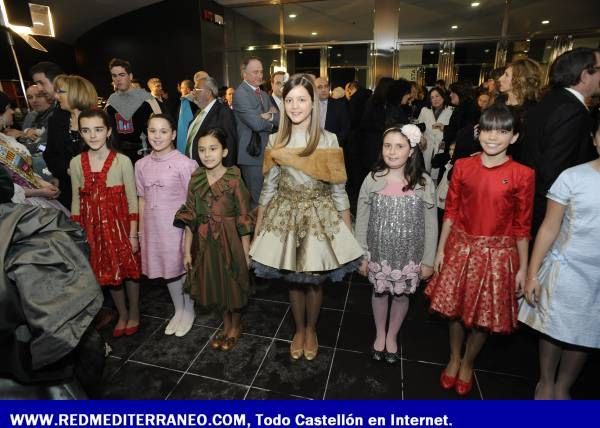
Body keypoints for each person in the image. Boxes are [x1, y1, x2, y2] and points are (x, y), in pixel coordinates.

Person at [250, 74, 364, 361]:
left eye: (301, 99)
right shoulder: (275, 139)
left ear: (313, 102)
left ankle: (311, 329)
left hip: (318, 216)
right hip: (285, 216)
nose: (295, 106)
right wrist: (258, 229)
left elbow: (339, 191)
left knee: (314, 280)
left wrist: (347, 235)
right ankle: (298, 328)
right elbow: (269, 188)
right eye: (289, 100)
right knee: (293, 280)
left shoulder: (328, 139)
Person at [424, 104, 535, 396]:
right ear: (478, 132)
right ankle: (454, 356)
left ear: (514, 136)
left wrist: (524, 267)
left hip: (498, 255)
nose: (493, 136)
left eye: (502, 130)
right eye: (487, 129)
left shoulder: (523, 174)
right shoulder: (462, 166)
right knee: (455, 311)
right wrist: (440, 249)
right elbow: (450, 210)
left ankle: (468, 362)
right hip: (460, 247)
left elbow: (522, 226)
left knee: (483, 316)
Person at [519, 115, 600, 400]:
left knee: (586, 331)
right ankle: (546, 381)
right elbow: (550, 227)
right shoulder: (573, 176)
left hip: (597, 276)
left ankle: (564, 385)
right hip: (567, 268)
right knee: (553, 326)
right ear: (594, 138)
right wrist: (531, 272)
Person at [355, 124, 437, 364]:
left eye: (399, 146)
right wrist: (362, 254)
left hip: (410, 254)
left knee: (401, 296)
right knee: (379, 292)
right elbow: (362, 218)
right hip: (378, 252)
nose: (392, 152)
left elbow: (431, 224)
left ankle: (393, 335)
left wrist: (429, 260)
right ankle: (380, 333)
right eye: (387, 146)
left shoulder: (423, 183)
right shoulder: (372, 179)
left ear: (411, 150)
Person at [174, 127, 253, 351]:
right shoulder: (196, 178)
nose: (207, 154)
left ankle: (236, 326)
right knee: (216, 283)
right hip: (204, 241)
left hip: (230, 241)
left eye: (213, 148)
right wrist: (187, 250)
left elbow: (244, 217)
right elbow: (190, 216)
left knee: (233, 284)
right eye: (202, 150)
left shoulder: (234, 178)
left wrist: (246, 251)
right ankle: (226, 325)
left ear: (224, 151)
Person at [70, 109, 141, 338]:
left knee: (128, 271)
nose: (92, 136)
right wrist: (78, 235)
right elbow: (75, 201)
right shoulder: (76, 163)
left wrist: (133, 234)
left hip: (120, 229)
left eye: (98, 129)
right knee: (110, 274)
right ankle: (121, 313)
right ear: (80, 133)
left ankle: (135, 311)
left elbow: (132, 200)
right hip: (94, 230)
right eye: (86, 130)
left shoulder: (122, 161)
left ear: (108, 131)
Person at [522, 47, 600, 236]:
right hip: (550, 215)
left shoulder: (550, 101)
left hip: (534, 208)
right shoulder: (571, 110)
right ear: (584, 75)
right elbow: (554, 172)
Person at [135, 114, 198, 337]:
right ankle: (178, 309)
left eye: (163, 131)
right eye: (152, 131)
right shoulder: (141, 165)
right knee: (167, 270)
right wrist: (141, 231)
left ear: (173, 134)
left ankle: (189, 310)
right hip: (155, 229)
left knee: (182, 269)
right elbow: (142, 198)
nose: (157, 136)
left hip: (178, 229)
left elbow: (193, 203)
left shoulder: (184, 164)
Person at [0, 91, 65, 212]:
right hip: (16, 206)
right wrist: (39, 191)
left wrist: (40, 182)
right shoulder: (28, 119)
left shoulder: (4, 139)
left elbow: (23, 170)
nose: (12, 111)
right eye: (8, 108)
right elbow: (4, 189)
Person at [45, 75, 98, 210]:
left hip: (98, 189)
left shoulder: (98, 119)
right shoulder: (56, 120)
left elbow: (111, 154)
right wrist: (67, 170)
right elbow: (50, 154)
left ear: (77, 93)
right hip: (68, 189)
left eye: (60, 92)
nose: (56, 96)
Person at [233, 56, 279, 207]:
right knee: (258, 202)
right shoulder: (240, 94)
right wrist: (270, 119)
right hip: (251, 156)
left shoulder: (264, 94)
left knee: (270, 199)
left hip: (267, 153)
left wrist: (268, 116)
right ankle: (257, 231)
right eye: (255, 72)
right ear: (244, 74)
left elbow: (279, 119)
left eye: (261, 71)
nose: (260, 75)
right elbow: (256, 124)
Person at [105, 58, 162, 164]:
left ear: (130, 76)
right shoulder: (111, 102)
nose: (118, 79)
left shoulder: (146, 99)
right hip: (120, 156)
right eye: (114, 75)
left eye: (122, 75)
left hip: (146, 155)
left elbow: (163, 127)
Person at [185, 77, 237, 167]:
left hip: (212, 171)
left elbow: (230, 145)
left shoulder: (223, 112)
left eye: (197, 89)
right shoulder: (198, 113)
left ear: (209, 93)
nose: (193, 92)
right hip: (192, 170)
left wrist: (226, 174)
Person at [497, 58, 542, 162]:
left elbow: (527, 149)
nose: (500, 79)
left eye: (506, 75)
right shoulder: (499, 101)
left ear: (520, 79)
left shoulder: (533, 111)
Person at [417, 87, 453, 174]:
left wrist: (447, 142)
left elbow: (453, 129)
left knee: (438, 174)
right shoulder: (425, 110)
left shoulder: (450, 110)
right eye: (432, 97)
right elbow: (419, 127)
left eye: (437, 96)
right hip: (426, 146)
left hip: (441, 147)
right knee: (425, 173)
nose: (435, 99)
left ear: (443, 97)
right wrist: (421, 138)